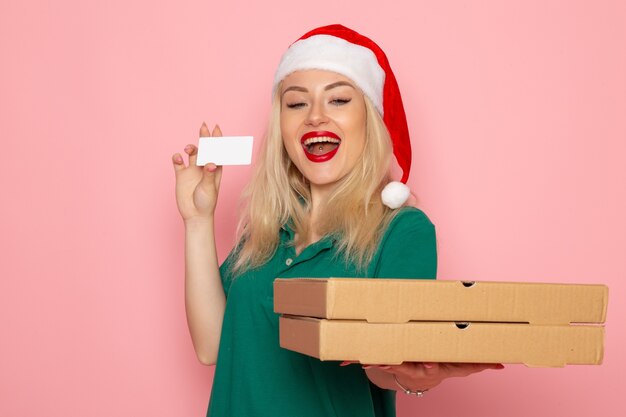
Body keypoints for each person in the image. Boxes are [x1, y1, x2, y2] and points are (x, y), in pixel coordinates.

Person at [172, 24, 502, 417]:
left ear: (371, 119)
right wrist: (197, 220)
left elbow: (385, 365)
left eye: (339, 100)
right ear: (282, 127)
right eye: (296, 104)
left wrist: (412, 374)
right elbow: (212, 346)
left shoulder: (402, 230)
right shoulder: (267, 228)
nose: (314, 117)